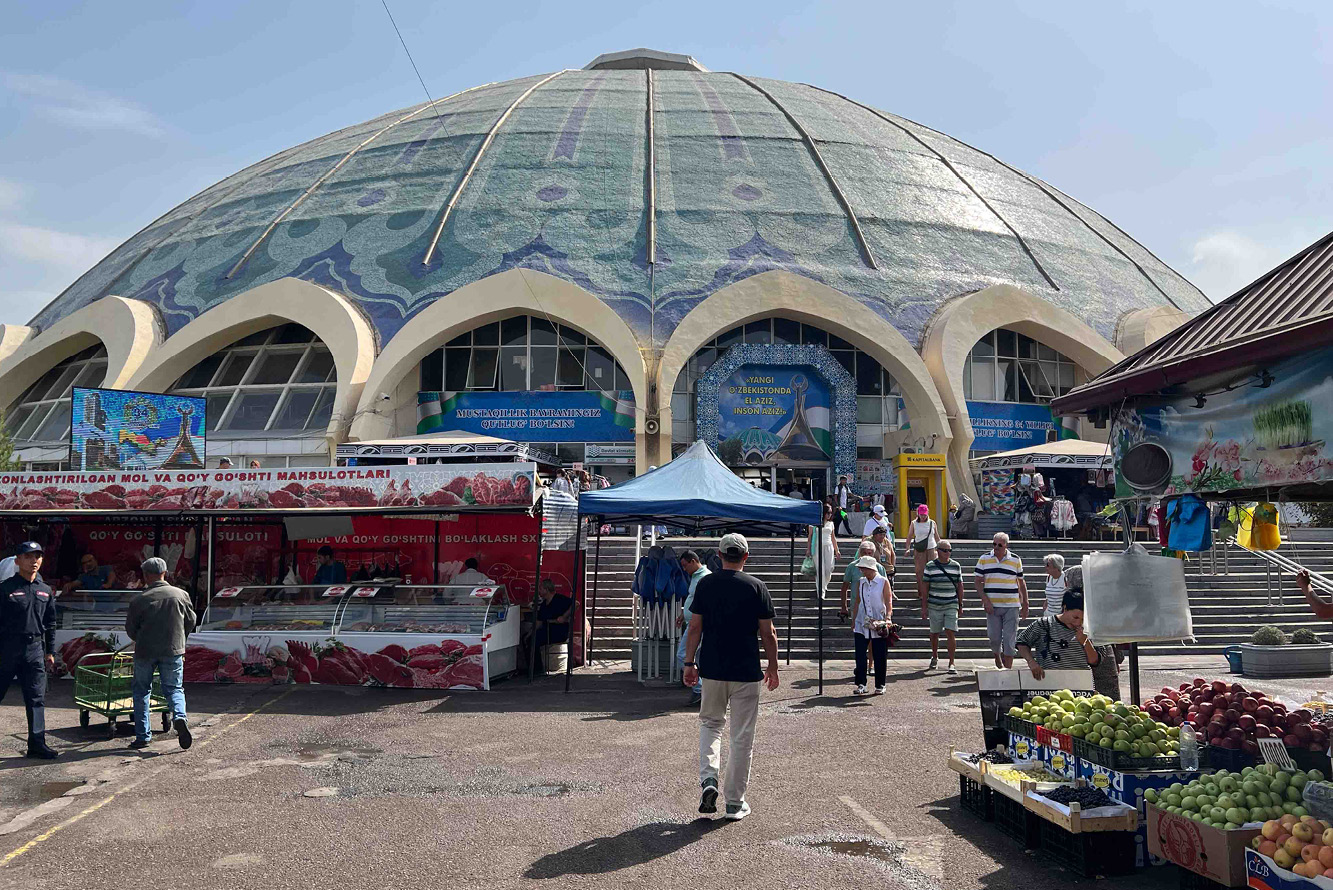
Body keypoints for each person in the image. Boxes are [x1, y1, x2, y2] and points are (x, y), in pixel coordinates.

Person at [683, 533, 779, 822]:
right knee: (742, 736)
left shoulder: (706, 584)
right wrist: (773, 666)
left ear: (719, 555)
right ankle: (735, 803)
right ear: (746, 556)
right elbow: (768, 633)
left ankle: (708, 779)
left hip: (712, 668)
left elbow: (695, 627)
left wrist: (689, 663)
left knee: (711, 725)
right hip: (746, 670)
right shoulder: (757, 586)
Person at [125, 557, 196, 750]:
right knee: (174, 689)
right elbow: (190, 621)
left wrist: (142, 638)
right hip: (173, 650)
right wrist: (180, 640)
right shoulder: (181, 595)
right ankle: (179, 716)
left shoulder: (139, 600)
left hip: (145, 651)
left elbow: (131, 629)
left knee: (141, 691)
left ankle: (142, 736)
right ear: (165, 573)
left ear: (146, 575)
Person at [0, 542, 59, 758]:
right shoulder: (5, 588)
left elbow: (50, 623)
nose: (34, 561)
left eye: (37, 556)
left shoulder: (45, 590)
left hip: (34, 650)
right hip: (7, 649)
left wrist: (50, 652)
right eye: (28, 556)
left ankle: (37, 744)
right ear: (17, 561)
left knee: (36, 698)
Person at [1062, 564, 1120, 699]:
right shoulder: (1098, 601)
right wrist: (1117, 658)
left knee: (1087, 700)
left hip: (1086, 657)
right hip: (1105, 656)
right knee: (1108, 701)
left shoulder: (1072, 603)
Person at [1016, 589, 1100, 681]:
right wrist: (1031, 662)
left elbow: (1094, 661)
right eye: (1075, 617)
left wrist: (1085, 642)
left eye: (1083, 619)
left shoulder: (1088, 629)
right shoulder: (1044, 624)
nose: (1078, 623)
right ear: (1065, 608)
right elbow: (1022, 642)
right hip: (1049, 682)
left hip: (1080, 682)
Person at [975, 532, 1028, 669]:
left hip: (1012, 604)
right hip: (992, 604)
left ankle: (1008, 669)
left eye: (1000, 545)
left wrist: (1025, 603)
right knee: (994, 637)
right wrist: (985, 600)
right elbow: (977, 581)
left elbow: (1021, 582)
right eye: (994, 544)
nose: (996, 547)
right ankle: (997, 657)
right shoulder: (984, 558)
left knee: (1010, 638)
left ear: (1006, 546)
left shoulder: (1015, 559)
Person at [920, 539, 963, 673]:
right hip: (935, 604)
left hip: (951, 603)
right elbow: (925, 587)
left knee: (950, 631)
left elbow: (960, 585)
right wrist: (924, 607)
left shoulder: (956, 566)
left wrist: (960, 604)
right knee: (934, 633)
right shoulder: (930, 566)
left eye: (949, 550)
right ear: (938, 551)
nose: (947, 553)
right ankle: (935, 656)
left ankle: (952, 662)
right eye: (945, 550)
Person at [851, 555, 891, 696]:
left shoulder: (883, 581)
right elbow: (857, 601)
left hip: (878, 622)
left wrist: (888, 618)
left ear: (871, 568)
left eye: (864, 568)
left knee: (880, 654)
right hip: (862, 622)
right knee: (860, 655)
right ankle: (861, 683)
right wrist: (854, 619)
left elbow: (888, 601)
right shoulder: (861, 582)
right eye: (861, 568)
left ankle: (880, 684)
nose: (862, 571)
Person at [676, 550, 710, 705]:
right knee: (689, 656)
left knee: (683, 655)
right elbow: (693, 599)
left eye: (685, 565)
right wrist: (684, 614)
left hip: (698, 625)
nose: (684, 569)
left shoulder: (704, 577)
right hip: (693, 622)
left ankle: (700, 689)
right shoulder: (697, 576)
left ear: (693, 561)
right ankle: (701, 689)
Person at [839, 541, 885, 622]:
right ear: (860, 553)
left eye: (869, 553)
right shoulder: (852, 567)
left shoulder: (879, 568)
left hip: (876, 608)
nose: (867, 556)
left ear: (873, 554)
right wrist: (844, 606)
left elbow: (885, 589)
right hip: (857, 606)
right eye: (864, 553)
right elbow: (844, 587)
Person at [807, 503, 840, 600]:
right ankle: (821, 592)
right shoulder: (813, 524)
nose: (829, 515)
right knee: (819, 570)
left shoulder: (831, 524)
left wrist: (837, 550)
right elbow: (810, 537)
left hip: (829, 546)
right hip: (817, 547)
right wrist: (808, 549)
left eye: (831, 513)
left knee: (829, 569)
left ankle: (824, 585)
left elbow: (833, 537)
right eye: (828, 513)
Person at [906, 504, 939, 590]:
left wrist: (941, 547)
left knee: (932, 569)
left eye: (924, 515)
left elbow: (936, 536)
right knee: (919, 571)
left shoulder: (932, 523)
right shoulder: (914, 523)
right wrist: (907, 548)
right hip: (919, 549)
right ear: (918, 514)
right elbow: (909, 536)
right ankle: (921, 590)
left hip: (931, 548)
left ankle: (932, 589)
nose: (923, 517)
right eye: (921, 515)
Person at [534, 578, 573, 649]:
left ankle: (535, 656)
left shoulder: (559, 599)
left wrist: (564, 616)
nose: (539, 591)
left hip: (558, 632)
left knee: (534, 640)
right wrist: (530, 632)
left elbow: (575, 604)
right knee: (529, 638)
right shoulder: (543, 604)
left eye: (541, 589)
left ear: (547, 590)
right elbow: (539, 622)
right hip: (546, 631)